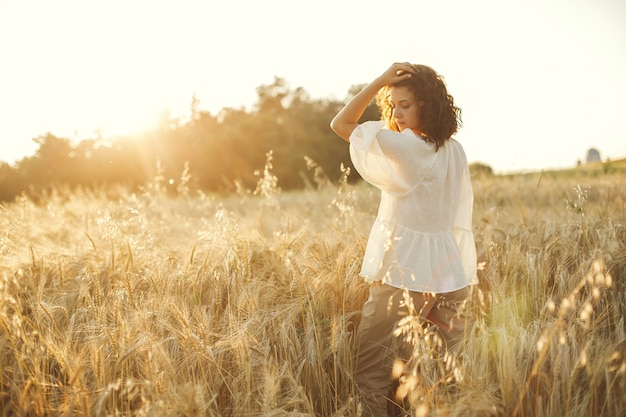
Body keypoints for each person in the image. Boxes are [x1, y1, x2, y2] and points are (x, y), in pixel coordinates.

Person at [330, 62, 478, 416]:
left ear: (426, 105)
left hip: (403, 275)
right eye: (392, 104)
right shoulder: (454, 150)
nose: (396, 112)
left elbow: (341, 124)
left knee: (372, 374)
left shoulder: (406, 146)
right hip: (450, 277)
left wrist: (381, 80)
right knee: (433, 381)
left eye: (405, 105)